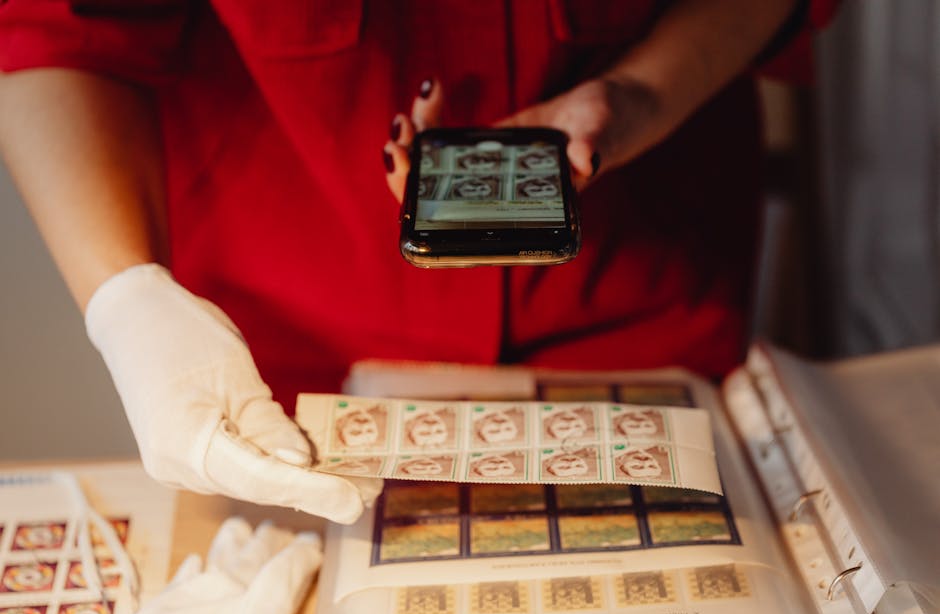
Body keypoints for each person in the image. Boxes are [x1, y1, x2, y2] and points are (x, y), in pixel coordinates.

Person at [0, 1, 837, 524]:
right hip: (285, 353)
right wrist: (128, 298)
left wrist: (640, 95)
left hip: (641, 313)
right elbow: (56, 29)